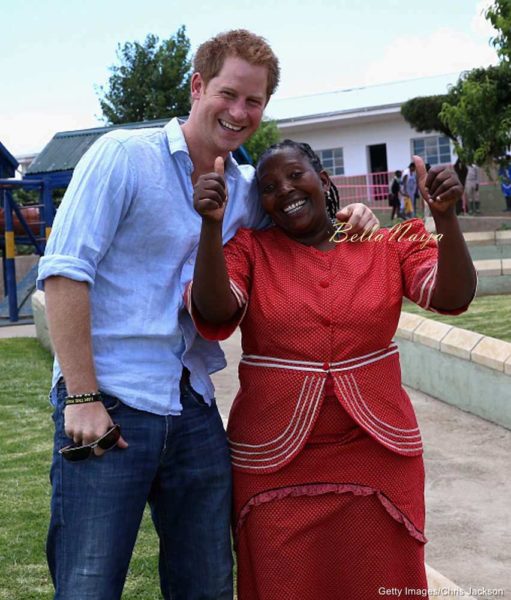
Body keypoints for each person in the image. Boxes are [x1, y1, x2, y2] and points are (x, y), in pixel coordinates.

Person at [37, 30, 378, 600]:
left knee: (210, 586)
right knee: (88, 584)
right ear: (197, 87)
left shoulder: (247, 190)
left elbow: (307, 222)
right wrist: (81, 396)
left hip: (192, 406)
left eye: (255, 101)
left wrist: (354, 215)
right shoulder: (123, 156)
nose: (240, 111)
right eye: (228, 93)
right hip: (109, 400)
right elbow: (66, 271)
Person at [188, 140, 476, 599]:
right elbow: (216, 310)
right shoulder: (249, 248)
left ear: (323, 180)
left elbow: (450, 295)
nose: (283, 190)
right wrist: (211, 227)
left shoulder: (388, 244)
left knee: (383, 577)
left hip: (378, 451)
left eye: (295, 176)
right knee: (284, 582)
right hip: (273, 460)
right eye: (268, 187)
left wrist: (445, 217)